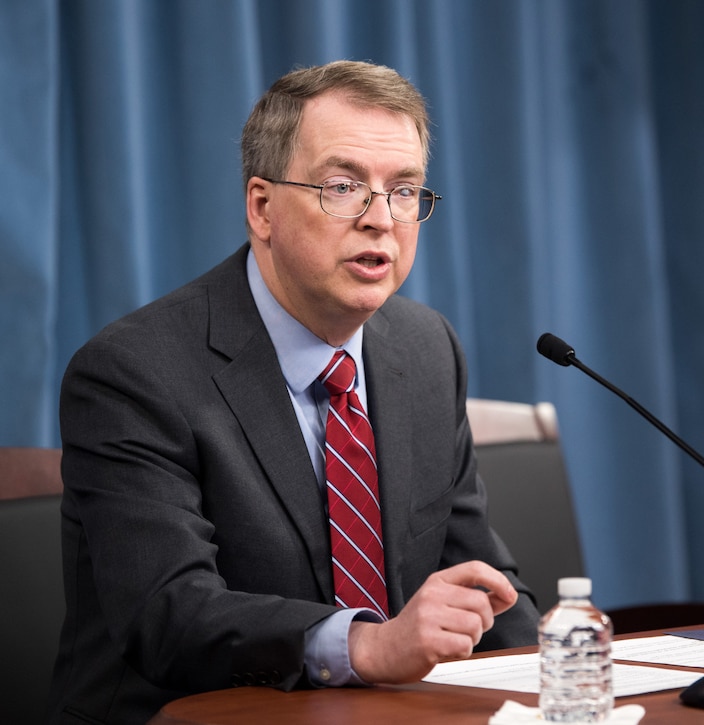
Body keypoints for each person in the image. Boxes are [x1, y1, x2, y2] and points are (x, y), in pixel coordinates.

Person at [47, 60, 540, 724]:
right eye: (343, 186)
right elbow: (172, 613)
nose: (381, 219)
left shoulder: (425, 349)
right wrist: (367, 644)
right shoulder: (134, 372)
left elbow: (478, 574)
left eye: (404, 190)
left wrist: (563, 671)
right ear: (262, 207)